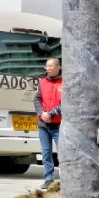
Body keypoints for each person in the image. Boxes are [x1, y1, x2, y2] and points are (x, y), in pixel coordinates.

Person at [35, 57, 62, 190]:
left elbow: (66, 103)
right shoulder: (42, 82)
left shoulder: (65, 83)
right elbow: (37, 100)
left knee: (63, 153)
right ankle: (49, 179)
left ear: (58, 67)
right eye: (47, 66)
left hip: (58, 124)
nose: (48, 68)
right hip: (43, 124)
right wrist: (42, 113)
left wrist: (52, 113)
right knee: (46, 152)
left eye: (51, 66)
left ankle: (66, 179)